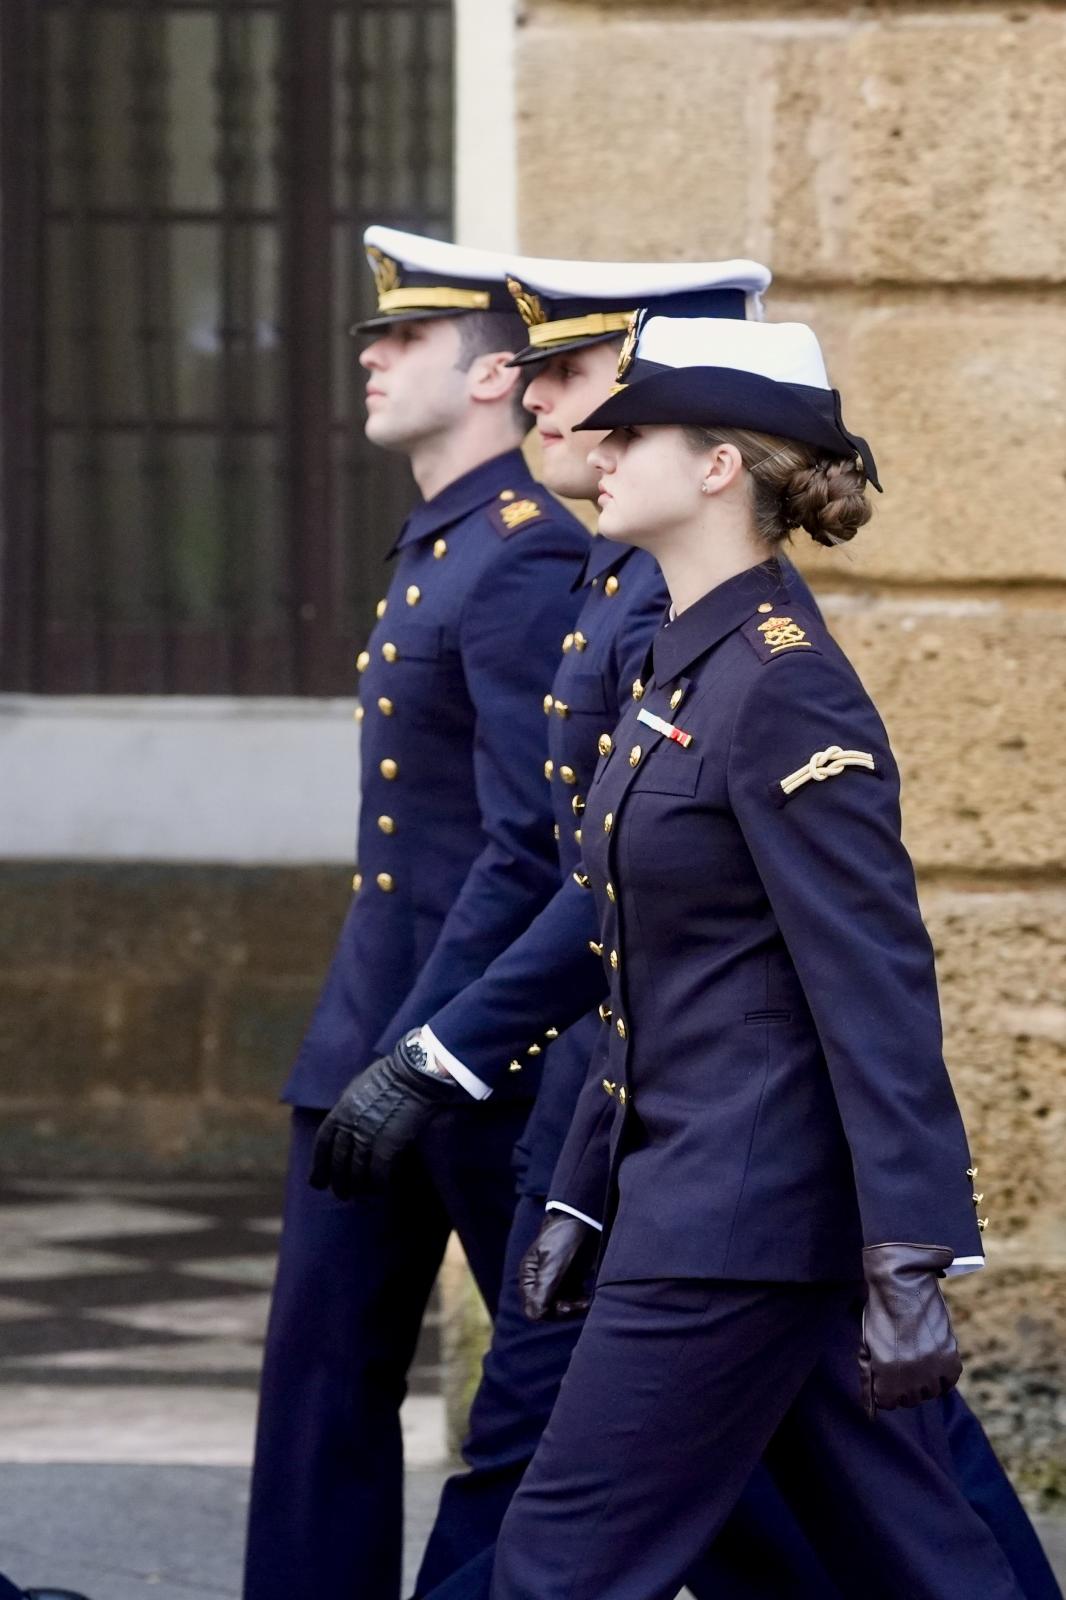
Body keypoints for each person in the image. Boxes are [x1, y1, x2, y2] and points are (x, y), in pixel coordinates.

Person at [486, 315, 1033, 1600]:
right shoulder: (688, 663)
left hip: (734, 1219)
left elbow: (871, 977)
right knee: (914, 1555)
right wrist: (580, 1190)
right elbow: (656, 975)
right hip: (706, 1195)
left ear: (720, 466)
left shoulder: (784, 682)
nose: (595, 447)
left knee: (560, 1561)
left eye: (632, 428)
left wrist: (911, 1250)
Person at [242, 227, 591, 1600]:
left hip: (473, 1056)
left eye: (403, 340)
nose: (371, 357)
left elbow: (527, 841)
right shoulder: (444, 541)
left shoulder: (518, 554)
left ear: (497, 374)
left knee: (565, 1387)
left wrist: (432, 1046)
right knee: (320, 1375)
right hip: (370, 1038)